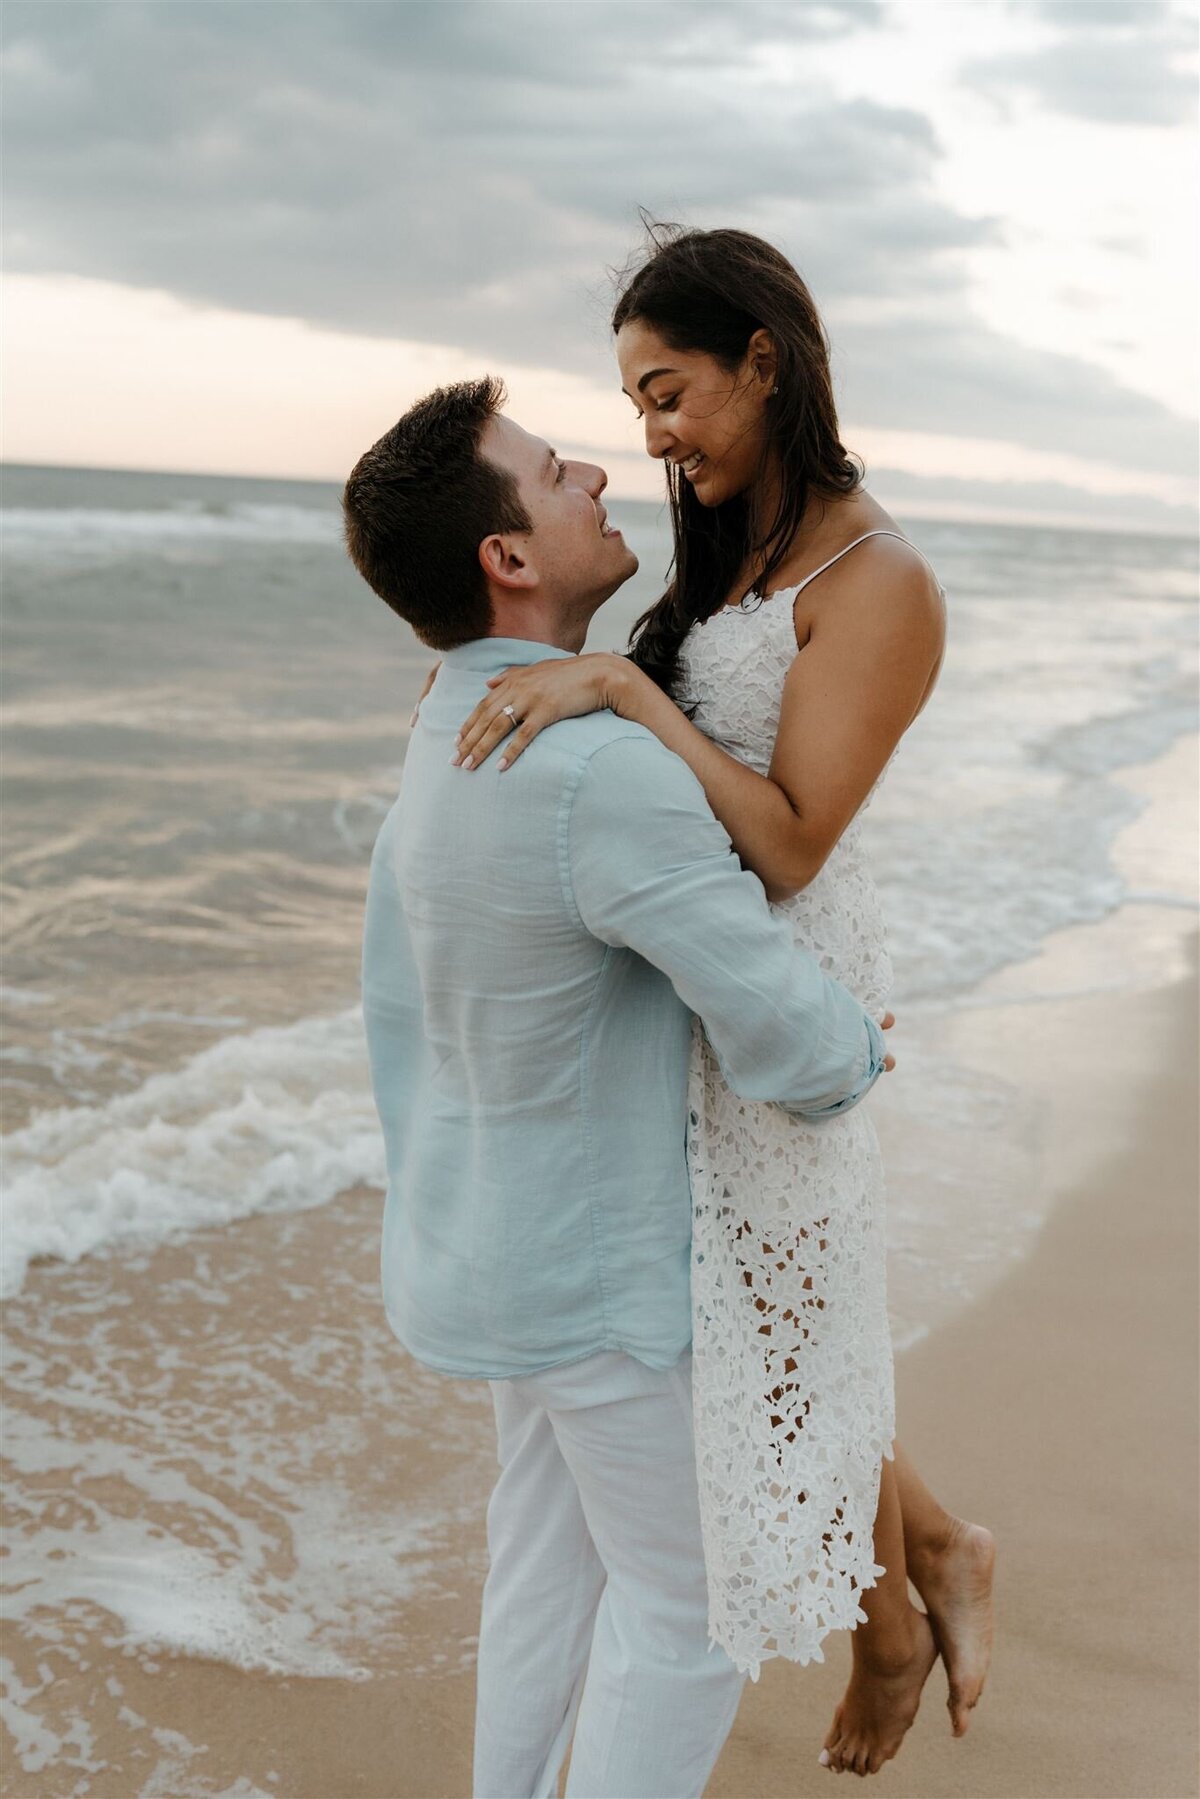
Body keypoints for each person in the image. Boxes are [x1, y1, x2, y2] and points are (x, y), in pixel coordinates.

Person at [449, 226, 997, 1779]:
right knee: (770, 1330)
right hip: (690, 990)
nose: (652, 435)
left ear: (766, 357)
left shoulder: (879, 580)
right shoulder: (729, 550)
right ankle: (931, 1558)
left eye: (670, 389)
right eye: (632, 403)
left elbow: (795, 833)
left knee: (783, 1329)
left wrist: (624, 690)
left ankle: (907, 1603)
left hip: (783, 992)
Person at [343, 375, 894, 1799]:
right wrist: (858, 1047)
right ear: (506, 559)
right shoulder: (598, 773)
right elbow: (784, 1029)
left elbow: (404, 1002)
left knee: (545, 1569)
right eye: (548, 469)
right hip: (597, 1282)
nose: (597, 470)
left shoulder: (442, 732)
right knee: (689, 1608)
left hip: (485, 1253)